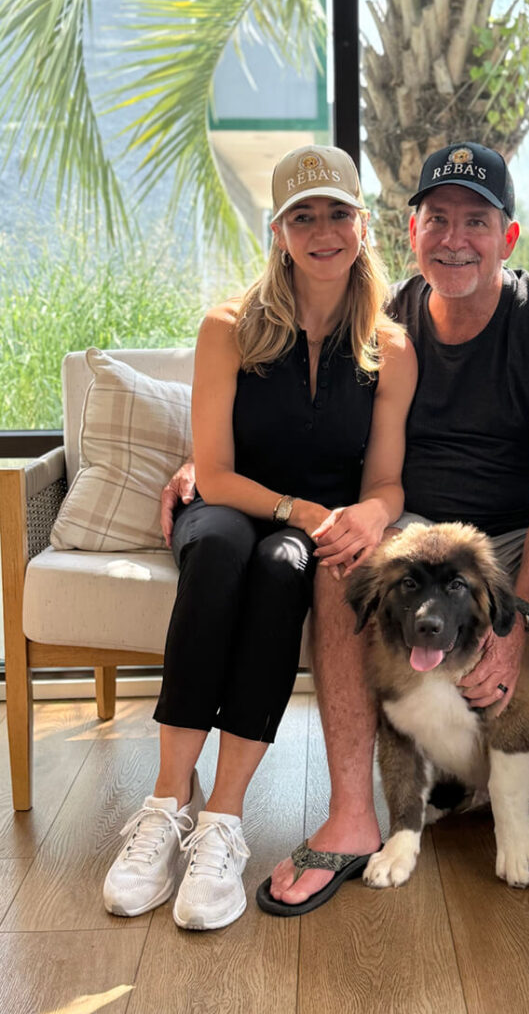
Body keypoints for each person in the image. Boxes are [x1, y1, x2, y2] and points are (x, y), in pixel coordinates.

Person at [165, 141, 529, 931]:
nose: (455, 238)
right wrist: (198, 465)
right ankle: (351, 816)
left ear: (508, 238)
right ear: (411, 232)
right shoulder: (386, 316)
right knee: (344, 564)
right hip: (428, 535)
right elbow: (291, 412)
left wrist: (512, 624)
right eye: (438, 219)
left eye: (477, 221)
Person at [103, 144, 417, 931]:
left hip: (300, 535)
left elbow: (384, 480)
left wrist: (373, 512)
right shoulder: (230, 328)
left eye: (336, 213)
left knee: (281, 573)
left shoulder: (392, 348)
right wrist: (304, 511)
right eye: (301, 216)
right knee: (221, 550)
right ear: (277, 231)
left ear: (362, 225)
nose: (321, 231)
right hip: (230, 507)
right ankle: (168, 803)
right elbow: (211, 472)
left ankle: (223, 825)